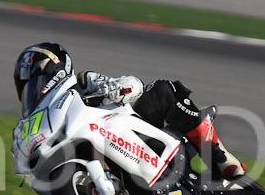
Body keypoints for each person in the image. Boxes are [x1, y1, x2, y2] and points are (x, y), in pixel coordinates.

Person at [13, 42, 245, 179]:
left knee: (163, 90)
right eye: (27, 88)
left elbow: (133, 84)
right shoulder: (38, 121)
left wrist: (118, 88)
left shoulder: (84, 82)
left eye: (36, 82)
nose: (33, 91)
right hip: (103, 156)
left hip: (134, 137)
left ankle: (220, 158)